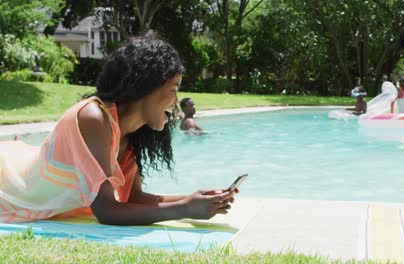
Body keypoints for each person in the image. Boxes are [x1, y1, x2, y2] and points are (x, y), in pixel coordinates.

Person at [0, 37, 236, 225]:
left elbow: (133, 199)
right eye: (173, 89)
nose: (176, 102)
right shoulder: (94, 117)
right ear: (146, 86)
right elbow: (107, 210)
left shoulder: (131, 132)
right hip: (9, 187)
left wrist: (194, 199)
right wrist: (185, 209)